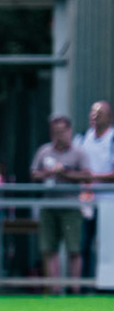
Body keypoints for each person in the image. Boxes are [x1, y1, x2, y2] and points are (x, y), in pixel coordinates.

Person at [31, 114, 92, 292]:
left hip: (71, 207)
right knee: (50, 249)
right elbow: (34, 174)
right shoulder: (44, 151)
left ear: (69, 131)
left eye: (62, 131)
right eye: (56, 132)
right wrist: (47, 173)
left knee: (74, 249)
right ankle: (55, 289)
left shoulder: (78, 152)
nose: (59, 135)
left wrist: (65, 173)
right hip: (49, 206)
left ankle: (75, 289)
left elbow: (88, 176)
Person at [78, 100, 113, 276]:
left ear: (109, 117)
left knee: (107, 244)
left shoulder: (112, 139)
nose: (94, 117)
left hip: (109, 201)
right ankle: (83, 284)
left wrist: (94, 178)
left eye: (99, 113)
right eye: (92, 113)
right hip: (88, 200)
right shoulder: (84, 137)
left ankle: (107, 284)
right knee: (84, 243)